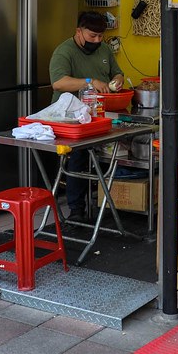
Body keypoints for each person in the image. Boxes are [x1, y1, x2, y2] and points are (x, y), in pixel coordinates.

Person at [50, 11, 126, 220]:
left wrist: (118, 79)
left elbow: (117, 72)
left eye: (101, 36)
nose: (97, 40)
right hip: (71, 118)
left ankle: (107, 201)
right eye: (92, 36)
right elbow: (58, 83)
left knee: (119, 149)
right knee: (79, 156)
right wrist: (89, 81)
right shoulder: (64, 52)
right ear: (79, 31)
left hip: (100, 114)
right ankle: (76, 210)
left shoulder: (104, 49)